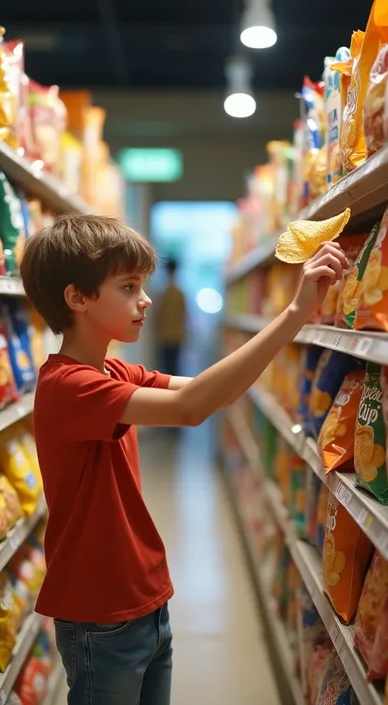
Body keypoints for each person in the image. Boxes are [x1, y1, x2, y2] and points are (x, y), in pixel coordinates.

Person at [20, 214, 346, 705]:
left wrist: (296, 318)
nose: (145, 299)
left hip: (144, 597)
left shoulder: (111, 369)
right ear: (78, 298)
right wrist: (294, 313)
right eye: (129, 287)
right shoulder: (70, 386)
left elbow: (208, 394)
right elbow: (191, 408)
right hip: (101, 612)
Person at [155, 259, 186, 377]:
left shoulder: (163, 294)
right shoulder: (179, 293)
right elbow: (184, 315)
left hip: (164, 335)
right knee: (175, 366)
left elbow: (159, 316)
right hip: (177, 335)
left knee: (166, 367)